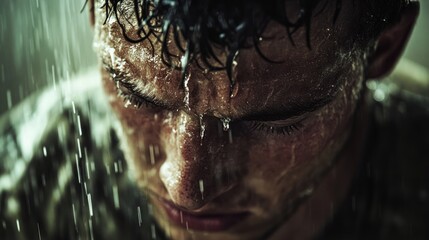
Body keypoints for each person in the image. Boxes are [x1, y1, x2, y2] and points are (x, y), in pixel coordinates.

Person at [1, 0, 428, 239]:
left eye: (272, 121)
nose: (184, 188)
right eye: (138, 95)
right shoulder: (23, 190)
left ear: (384, 48)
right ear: (92, 15)